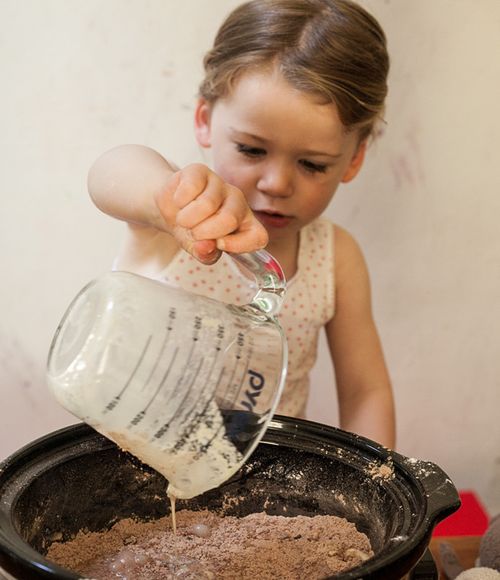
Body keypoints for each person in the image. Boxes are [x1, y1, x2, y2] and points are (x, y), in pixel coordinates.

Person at [88, 0, 396, 448]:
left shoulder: (335, 257)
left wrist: (381, 483)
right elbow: (109, 173)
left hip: (267, 491)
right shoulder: (178, 218)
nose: (276, 183)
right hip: (132, 478)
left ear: (355, 158)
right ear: (205, 121)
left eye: (312, 164)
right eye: (252, 150)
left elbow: (365, 391)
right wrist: (164, 201)